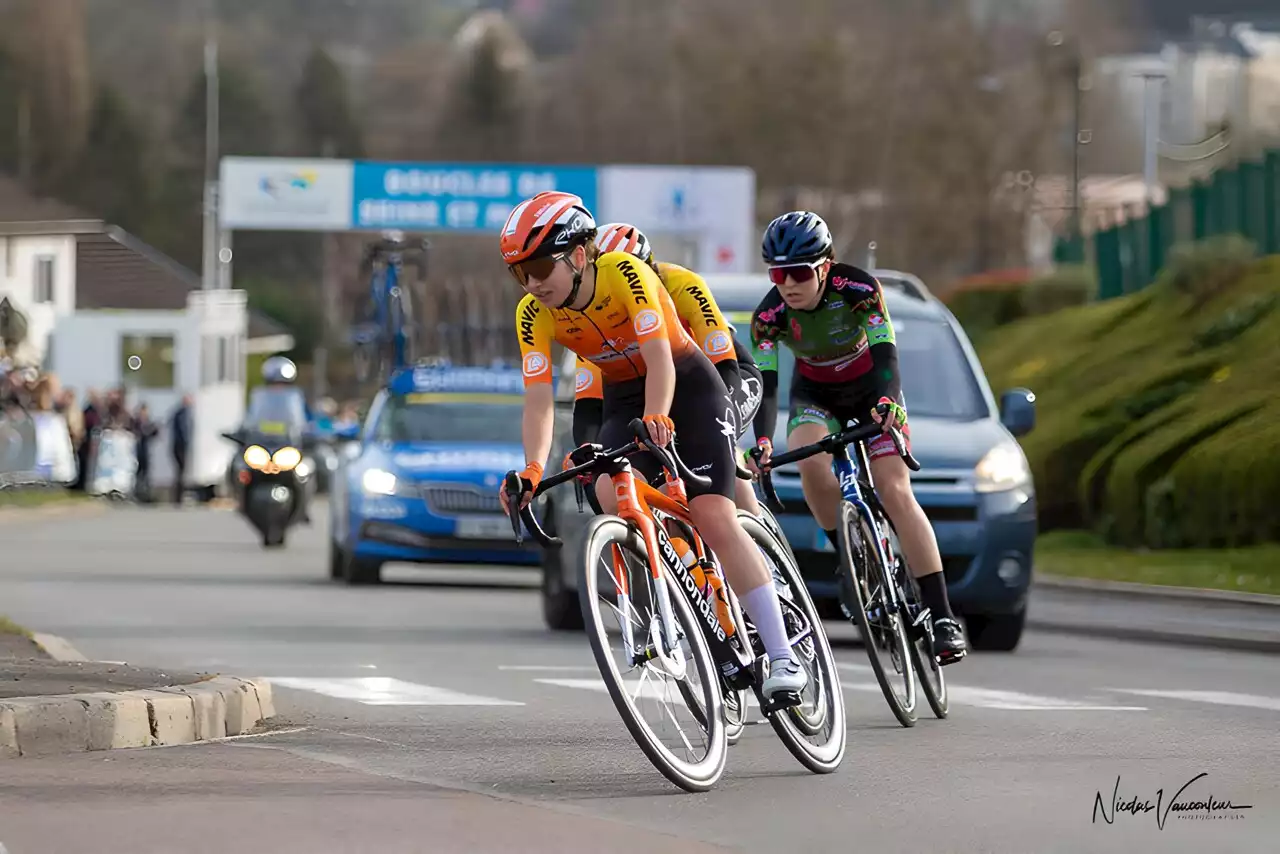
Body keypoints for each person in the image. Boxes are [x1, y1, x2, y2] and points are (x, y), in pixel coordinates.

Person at [497, 191, 808, 703]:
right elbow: (539, 401)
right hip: (623, 397)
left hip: (686, 383)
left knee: (713, 514)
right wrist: (531, 468)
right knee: (606, 490)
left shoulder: (624, 273)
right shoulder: (533, 313)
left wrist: (660, 414)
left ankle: (782, 655)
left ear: (578, 254)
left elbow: (661, 358)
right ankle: (681, 601)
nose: (531, 284)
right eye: (518, 273)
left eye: (537, 267)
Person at [746, 211, 969, 665]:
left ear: (825, 266)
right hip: (815, 395)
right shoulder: (768, 316)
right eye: (777, 273)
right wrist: (763, 441)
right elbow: (766, 386)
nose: (788, 284)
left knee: (894, 490)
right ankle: (849, 561)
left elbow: (886, 350)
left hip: (873, 388)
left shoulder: (859, 288)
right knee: (810, 463)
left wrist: (888, 401)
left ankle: (942, 615)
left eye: (799, 272)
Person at [569, 222, 765, 518]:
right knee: (658, 485)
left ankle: (753, 535)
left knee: (718, 450)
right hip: (657, 390)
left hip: (725, 375)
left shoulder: (682, 283)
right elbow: (590, 405)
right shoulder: (596, 316)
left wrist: (720, 435)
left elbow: (724, 365)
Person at [170, 394, 192, 506]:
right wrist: (187, 441)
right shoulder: (182, 413)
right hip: (180, 445)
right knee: (180, 472)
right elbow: (183, 430)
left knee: (180, 472)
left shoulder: (179, 413)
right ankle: (178, 497)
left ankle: (178, 497)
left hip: (178, 445)